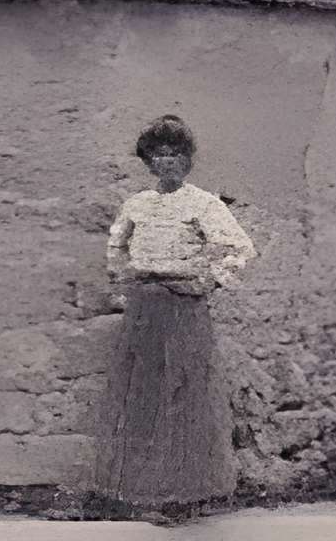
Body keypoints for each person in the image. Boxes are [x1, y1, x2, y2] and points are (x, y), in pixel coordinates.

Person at [90, 114, 255, 513]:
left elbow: (240, 249)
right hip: (144, 309)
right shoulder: (137, 205)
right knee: (143, 395)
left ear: (188, 160)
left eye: (176, 153)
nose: (168, 161)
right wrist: (128, 281)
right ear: (149, 161)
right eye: (160, 154)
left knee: (184, 394)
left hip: (184, 307)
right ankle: (138, 492)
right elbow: (116, 250)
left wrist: (207, 280)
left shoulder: (203, 203)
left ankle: (189, 493)